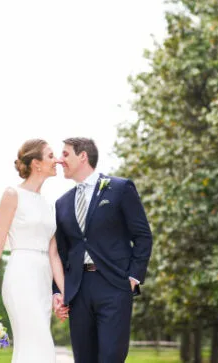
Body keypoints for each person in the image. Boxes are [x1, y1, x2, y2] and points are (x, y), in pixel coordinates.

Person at [53, 137, 153, 363]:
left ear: (83, 156)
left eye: (65, 154)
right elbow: (60, 252)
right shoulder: (61, 204)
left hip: (114, 286)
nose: (60, 160)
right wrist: (58, 292)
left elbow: (143, 236)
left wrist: (133, 277)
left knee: (111, 357)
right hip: (78, 291)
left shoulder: (120, 188)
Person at [0, 139, 65, 363]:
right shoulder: (12, 195)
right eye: (51, 156)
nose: (58, 161)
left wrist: (65, 293)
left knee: (32, 347)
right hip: (21, 276)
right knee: (41, 345)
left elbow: (54, 254)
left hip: (43, 280)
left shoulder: (48, 204)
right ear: (36, 163)